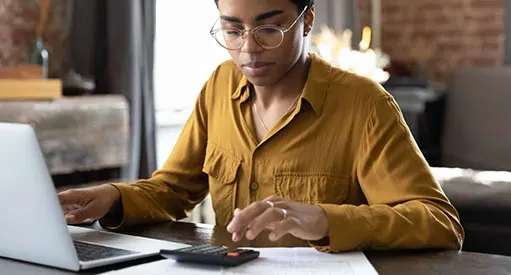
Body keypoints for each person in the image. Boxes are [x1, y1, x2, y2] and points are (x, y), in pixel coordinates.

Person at [58, 0, 464, 253]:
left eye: (269, 28)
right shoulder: (219, 85)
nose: (248, 48)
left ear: (307, 21)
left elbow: (439, 222)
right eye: (232, 30)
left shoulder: (365, 106)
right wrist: (111, 196)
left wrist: (327, 220)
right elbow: (173, 190)